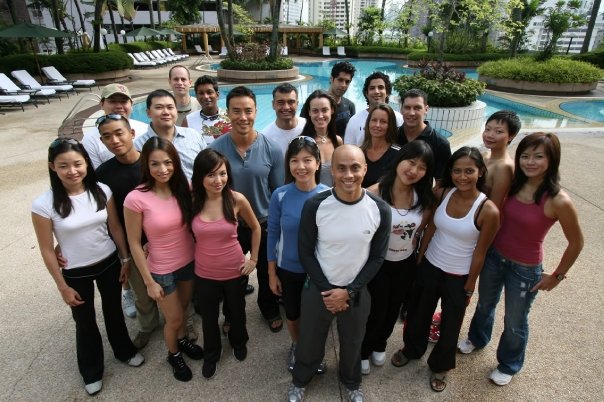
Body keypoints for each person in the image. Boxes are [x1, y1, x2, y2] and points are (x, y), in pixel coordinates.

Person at [458, 133, 584, 386]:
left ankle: (509, 364)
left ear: (552, 160)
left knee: (515, 321)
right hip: (494, 257)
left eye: (538, 157)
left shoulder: (558, 200)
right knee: (484, 304)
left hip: (525, 269)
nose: (530, 162)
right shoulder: (513, 184)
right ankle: (477, 338)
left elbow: (576, 242)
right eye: (525, 156)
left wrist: (557, 276)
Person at [31, 138, 144, 396]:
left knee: (114, 311)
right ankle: (91, 370)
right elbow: (47, 249)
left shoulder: (102, 190)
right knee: (84, 321)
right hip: (75, 271)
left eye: (78, 164)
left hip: (108, 262)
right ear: (52, 167)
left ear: (86, 164)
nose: (72, 171)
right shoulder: (43, 204)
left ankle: (124, 351)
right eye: (63, 166)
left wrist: (125, 259)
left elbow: (115, 227)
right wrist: (62, 286)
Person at [390, 147, 500, 393]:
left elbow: (481, 252)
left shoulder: (488, 210)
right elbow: (430, 228)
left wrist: (470, 285)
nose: (462, 176)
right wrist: (420, 260)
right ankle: (412, 349)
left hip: (458, 276)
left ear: (481, 172)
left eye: (469, 171)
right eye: (457, 171)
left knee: (451, 325)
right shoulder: (441, 193)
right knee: (418, 314)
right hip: (430, 265)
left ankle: (441, 365)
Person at [287, 145, 391, 402]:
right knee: (309, 340)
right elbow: (306, 253)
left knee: (353, 342)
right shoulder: (316, 205)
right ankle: (301, 379)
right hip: (318, 288)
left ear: (365, 169)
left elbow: (377, 257)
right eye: (341, 168)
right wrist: (328, 291)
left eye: (355, 167)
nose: (348, 175)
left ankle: (351, 381)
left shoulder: (380, 209)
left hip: (356, 291)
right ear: (331, 171)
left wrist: (349, 291)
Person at [124, 138, 204, 382]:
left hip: (188, 262)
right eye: (155, 164)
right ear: (146, 166)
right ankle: (173, 354)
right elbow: (134, 243)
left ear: (175, 163)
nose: (163, 169)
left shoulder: (184, 188)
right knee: (174, 318)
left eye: (168, 162)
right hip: (162, 270)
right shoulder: (135, 198)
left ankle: (182, 341)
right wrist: (148, 282)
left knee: (184, 308)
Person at [209, 86, 285, 333]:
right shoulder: (215, 149)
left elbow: (277, 191)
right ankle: (231, 313)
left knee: (265, 269)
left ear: (256, 112)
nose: (243, 117)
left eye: (248, 111)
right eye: (236, 111)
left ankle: (268, 307)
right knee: (232, 274)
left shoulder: (272, 148)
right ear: (227, 113)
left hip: (262, 223)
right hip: (229, 224)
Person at [360, 141, 435, 375]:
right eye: (411, 162)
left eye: (421, 167)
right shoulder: (374, 193)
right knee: (376, 309)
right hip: (378, 263)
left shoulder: (423, 197)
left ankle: (380, 344)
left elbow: (421, 229)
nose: (414, 171)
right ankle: (363, 350)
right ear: (400, 159)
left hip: (405, 262)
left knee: (394, 308)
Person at [191, 149, 260, 379]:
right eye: (211, 175)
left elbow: (256, 227)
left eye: (222, 173)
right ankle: (212, 354)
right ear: (200, 176)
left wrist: (253, 259)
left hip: (234, 270)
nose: (218, 180)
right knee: (209, 318)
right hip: (204, 273)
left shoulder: (236, 199)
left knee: (237, 312)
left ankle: (239, 342)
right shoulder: (193, 201)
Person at [95, 114, 159, 349]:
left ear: (131, 134)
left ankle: (183, 322)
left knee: (171, 287)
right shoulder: (102, 174)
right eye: (107, 137)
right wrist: (124, 255)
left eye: (119, 133)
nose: (114, 140)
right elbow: (107, 218)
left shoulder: (153, 164)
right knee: (141, 292)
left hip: (161, 240)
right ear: (102, 142)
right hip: (131, 243)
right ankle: (147, 326)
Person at [267, 136, 329, 372]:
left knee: (316, 316)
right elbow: (273, 234)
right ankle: (297, 345)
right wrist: (272, 273)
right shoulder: (280, 195)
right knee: (292, 314)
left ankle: (314, 351)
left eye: (307, 160)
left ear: (318, 163)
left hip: (318, 271)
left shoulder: (329, 196)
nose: (300, 166)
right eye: (294, 160)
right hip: (289, 269)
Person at [135, 89, 207, 181]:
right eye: (159, 107)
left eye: (170, 107)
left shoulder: (193, 136)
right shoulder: (139, 145)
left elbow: (208, 166)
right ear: (148, 113)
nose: (166, 112)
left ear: (176, 110)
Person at [81, 83, 148, 169]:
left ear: (131, 104)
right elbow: (97, 173)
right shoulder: (90, 139)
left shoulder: (145, 129)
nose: (119, 106)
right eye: (112, 101)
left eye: (123, 101)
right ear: (101, 104)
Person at [396, 89, 451, 185]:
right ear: (401, 109)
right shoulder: (392, 135)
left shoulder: (440, 143)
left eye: (417, 108)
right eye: (407, 107)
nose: (411, 113)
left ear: (426, 109)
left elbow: (441, 183)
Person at [344, 72, 403, 146]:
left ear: (387, 92)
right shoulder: (354, 121)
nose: (376, 91)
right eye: (372, 88)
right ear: (366, 93)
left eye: (380, 87)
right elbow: (348, 148)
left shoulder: (398, 118)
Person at [299, 90, 343, 186]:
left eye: (324, 110)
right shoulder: (300, 144)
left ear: (332, 110)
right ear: (309, 112)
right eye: (315, 111)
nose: (320, 115)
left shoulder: (337, 141)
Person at [480, 110, 521, 209]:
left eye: (498, 131)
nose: (489, 135)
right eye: (487, 129)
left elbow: (494, 207)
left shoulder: (504, 167)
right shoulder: (484, 155)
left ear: (511, 136)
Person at [359, 103, 402, 188]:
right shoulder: (359, 152)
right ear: (368, 123)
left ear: (390, 125)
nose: (377, 125)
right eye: (374, 120)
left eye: (383, 121)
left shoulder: (398, 154)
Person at [183, 75, 231, 144]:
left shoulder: (229, 118)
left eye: (209, 92)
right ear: (197, 97)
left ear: (217, 95)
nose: (205, 96)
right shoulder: (188, 121)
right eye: (201, 93)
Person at [263, 83, 307, 155]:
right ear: (273, 104)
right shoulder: (265, 137)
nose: (286, 107)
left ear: (297, 104)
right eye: (281, 102)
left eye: (291, 102)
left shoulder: (308, 126)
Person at [327, 61, 356, 137]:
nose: (343, 85)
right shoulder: (315, 103)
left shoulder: (350, 106)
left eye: (347, 82)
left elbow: (352, 133)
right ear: (331, 79)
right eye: (340, 80)